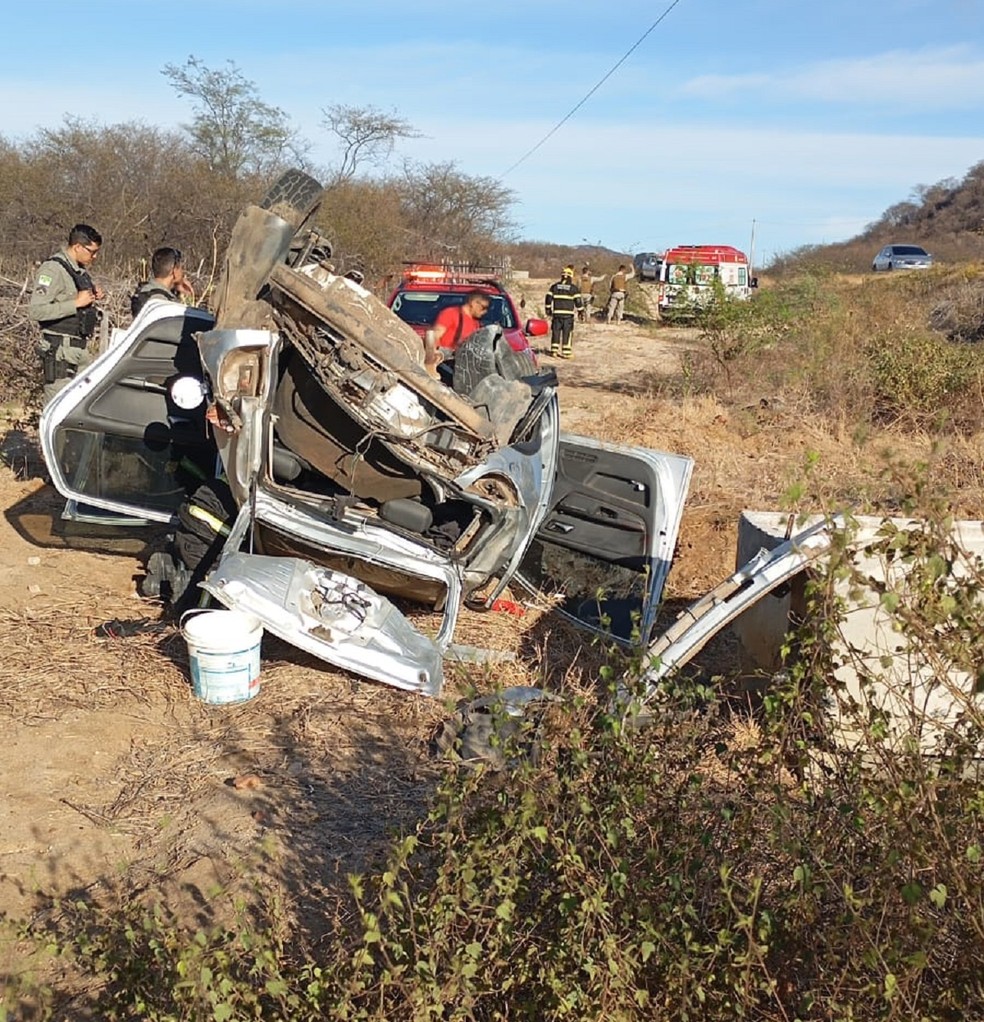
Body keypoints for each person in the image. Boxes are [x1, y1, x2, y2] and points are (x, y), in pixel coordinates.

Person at [28, 223, 105, 404]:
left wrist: (92, 295)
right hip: (60, 353)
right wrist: (76, 303)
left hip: (79, 349)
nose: (94, 257)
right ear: (77, 246)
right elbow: (36, 310)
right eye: (91, 252)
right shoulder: (52, 270)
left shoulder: (78, 271)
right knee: (58, 409)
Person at [130, 247, 196, 317]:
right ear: (174, 271)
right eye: (180, 268)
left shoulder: (145, 291)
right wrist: (189, 300)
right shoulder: (162, 302)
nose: (182, 271)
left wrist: (181, 293)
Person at [544, 266, 583, 359]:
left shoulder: (554, 286)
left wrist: (548, 309)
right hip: (568, 315)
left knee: (556, 332)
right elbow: (578, 301)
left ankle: (554, 351)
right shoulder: (573, 288)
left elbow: (548, 298)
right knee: (567, 333)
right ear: (571, 276)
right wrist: (581, 311)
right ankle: (566, 352)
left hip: (557, 314)